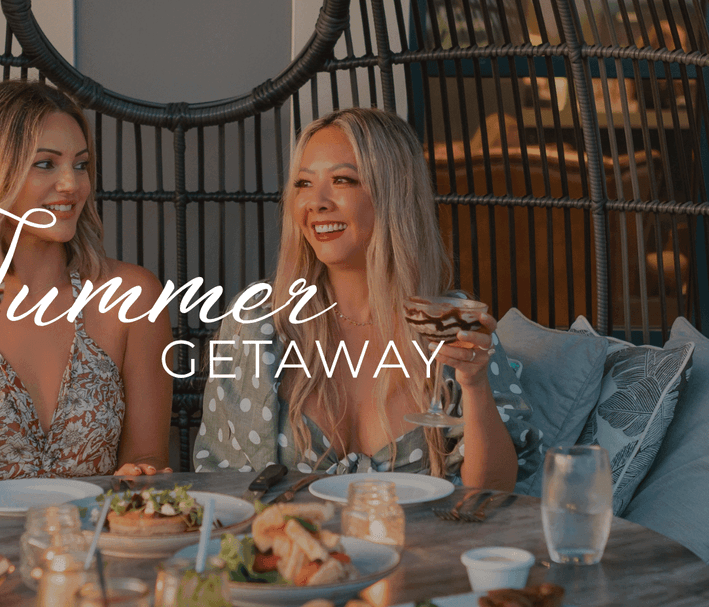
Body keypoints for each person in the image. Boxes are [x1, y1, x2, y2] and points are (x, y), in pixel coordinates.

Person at [193, 108, 539, 492]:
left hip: (423, 550)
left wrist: (474, 384)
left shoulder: (447, 322)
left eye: (343, 180)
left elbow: (494, 491)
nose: (317, 202)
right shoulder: (257, 323)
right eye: (303, 184)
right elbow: (221, 483)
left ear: (395, 192)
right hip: (293, 548)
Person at [0, 80, 173, 499]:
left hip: (95, 550)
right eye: (45, 164)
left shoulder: (133, 296)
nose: (72, 185)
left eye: (80, 164)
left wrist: (142, 476)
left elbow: (148, 461)